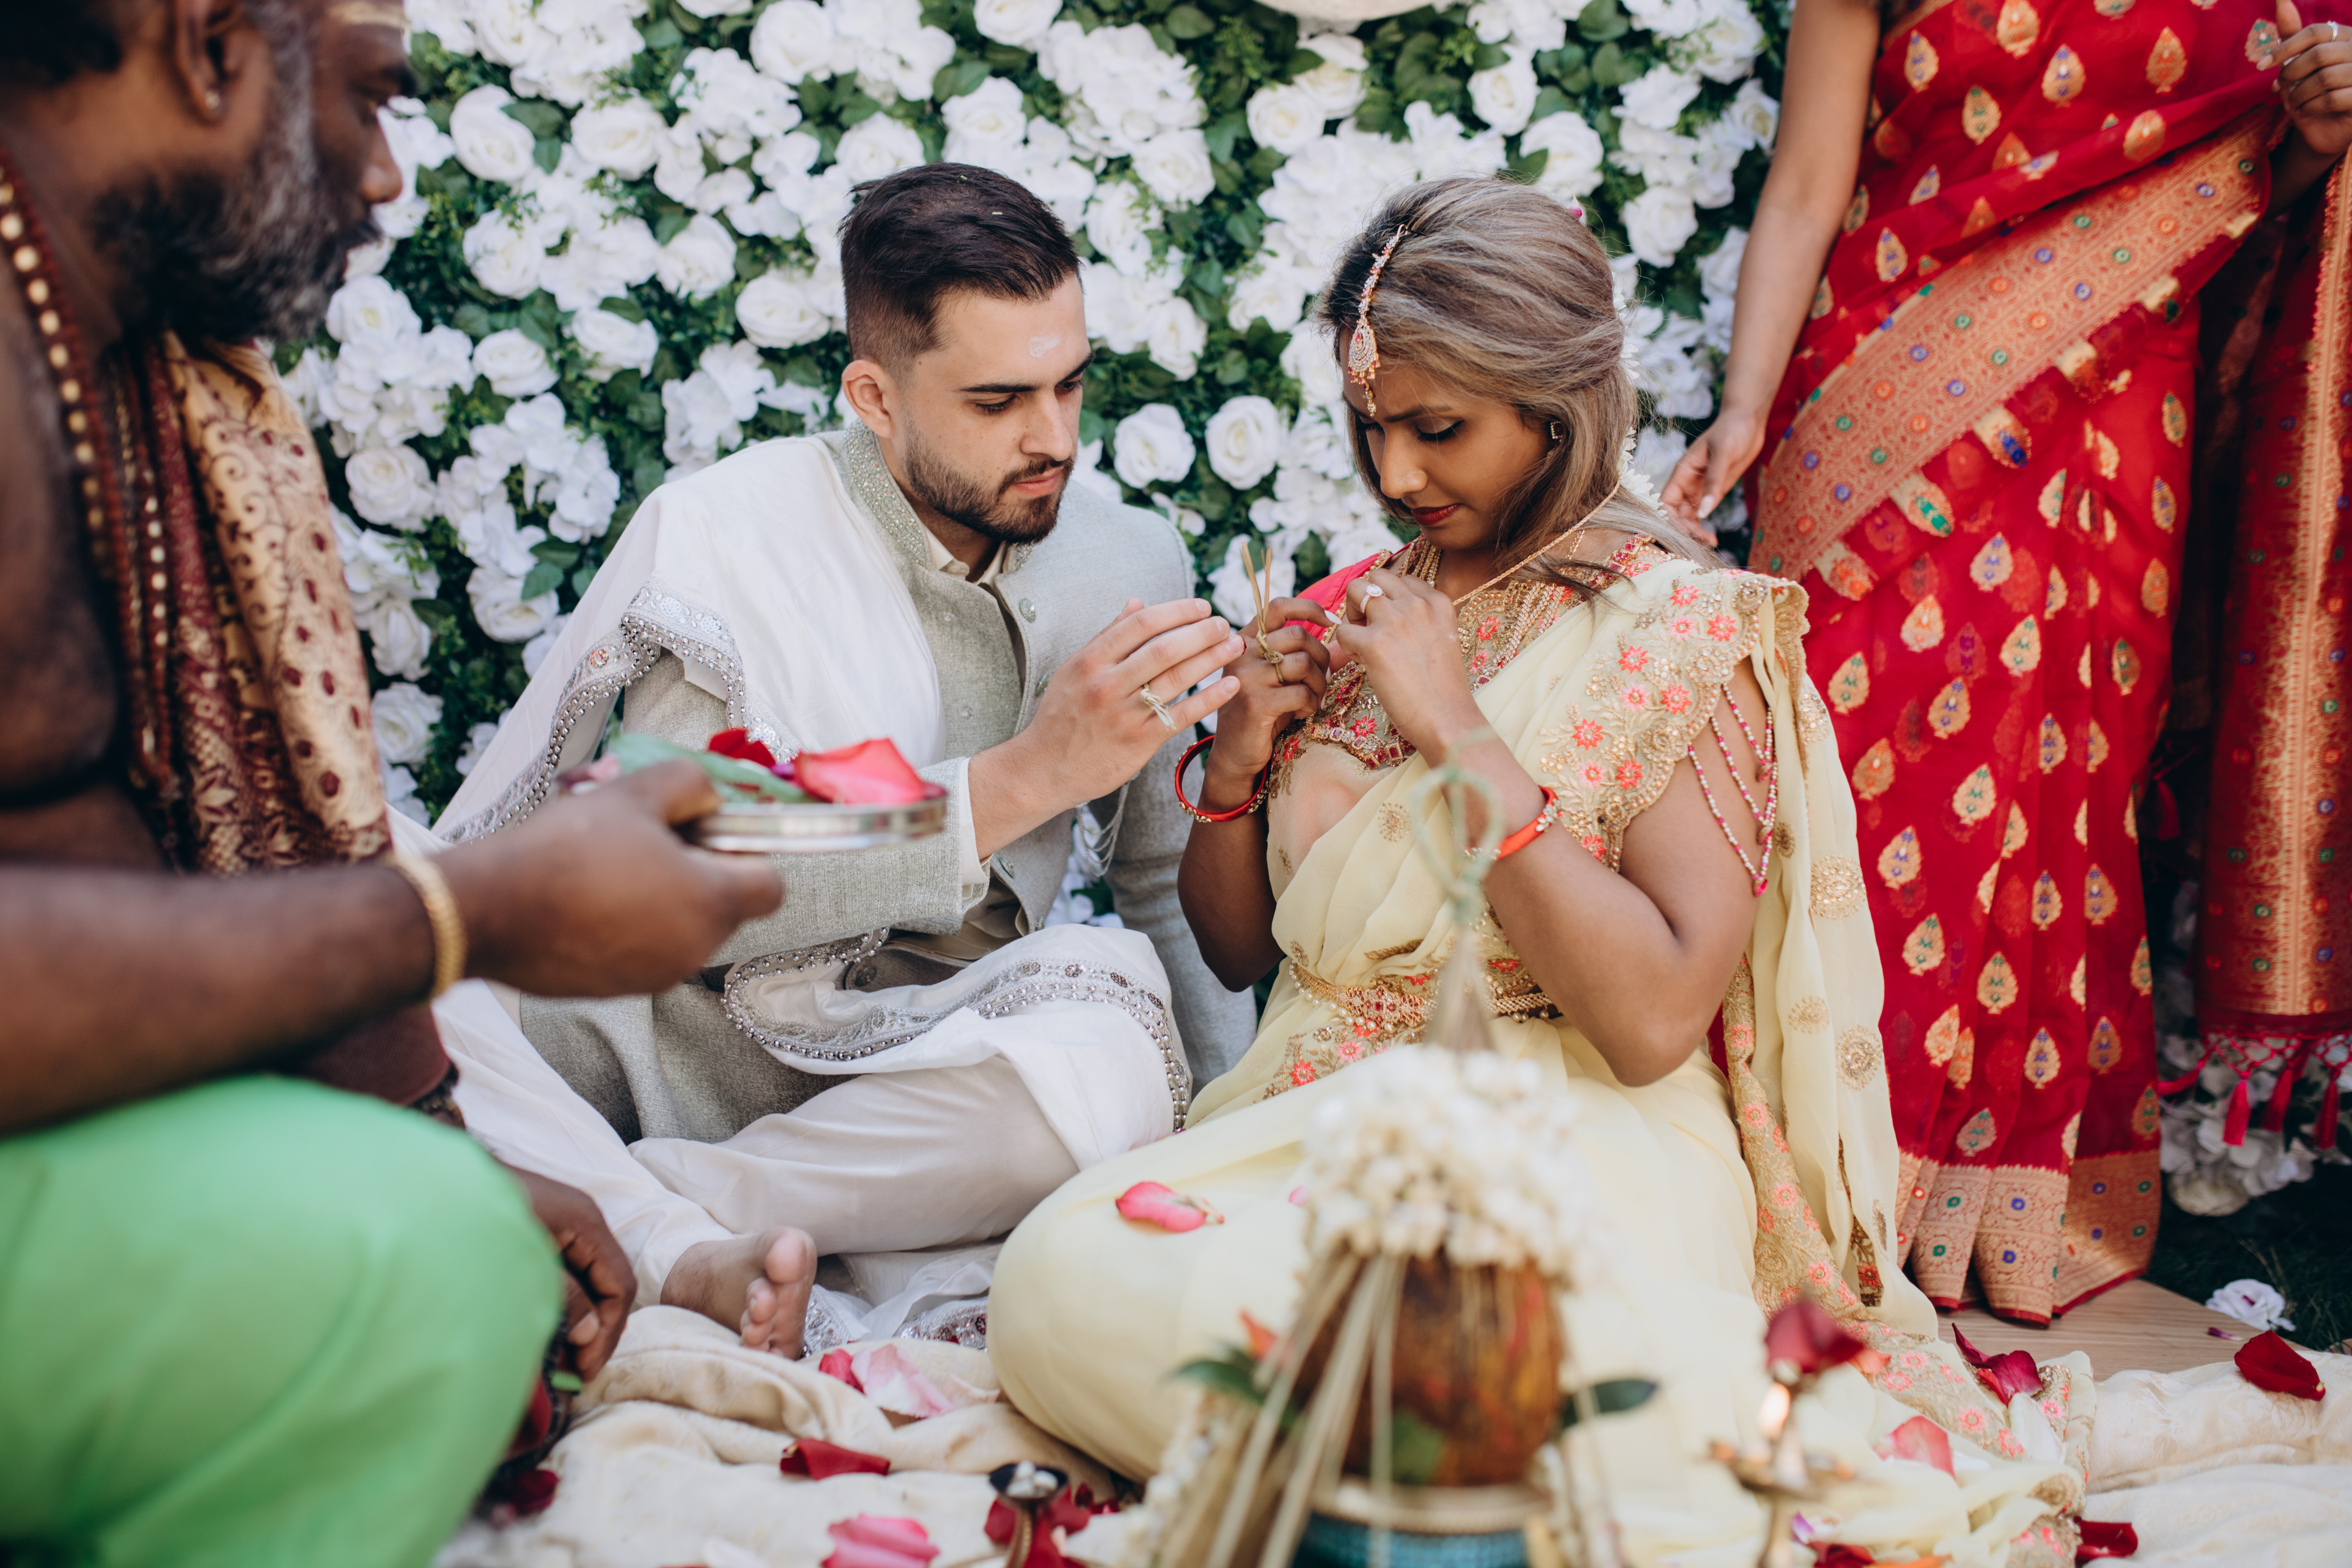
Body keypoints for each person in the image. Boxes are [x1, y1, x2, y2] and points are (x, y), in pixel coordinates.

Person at [988, 178, 2352, 1565]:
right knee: (1061, 1275)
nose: (1395, 475)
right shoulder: (1365, 612)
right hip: (1309, 1119)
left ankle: (1438, 1466)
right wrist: (1236, 763)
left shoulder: (1681, 630)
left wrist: (1456, 731)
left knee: (1406, 1341)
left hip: (1578, 1135)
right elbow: (1242, 950)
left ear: (1554, 402)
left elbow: (1649, 1021)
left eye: (1437, 429)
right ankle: (1445, 1474)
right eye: (1369, 426)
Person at [0, 2, 782, 1563]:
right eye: (369, 99)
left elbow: (94, 870)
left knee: (440, 1230)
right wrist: (467, 913)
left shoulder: (140, 380)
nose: (384, 175)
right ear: (209, 44)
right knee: (415, 1263)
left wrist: (444, 1143)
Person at [430, 162, 1258, 1359]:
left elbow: (1158, 888)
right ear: (874, 395)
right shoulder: (735, 544)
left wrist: (1227, 1141)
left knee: (1116, 1041)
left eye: (1071, 383)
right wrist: (1027, 775)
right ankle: (670, 1230)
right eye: (998, 400)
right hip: (679, 1053)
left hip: (928, 1078)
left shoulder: (1128, 557)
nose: (1054, 438)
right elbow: (684, 891)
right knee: (401, 943)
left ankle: (651, 1212)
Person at [1658, 0, 2352, 1322]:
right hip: (1880, 384)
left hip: (2116, 395)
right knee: (1844, 787)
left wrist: (2316, 138)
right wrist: (1744, 406)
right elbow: (1806, 182)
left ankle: (1977, 1211)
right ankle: (1771, 1175)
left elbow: (2243, 178)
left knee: (2061, 787)